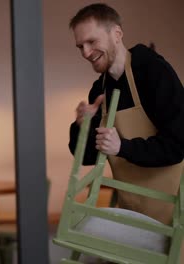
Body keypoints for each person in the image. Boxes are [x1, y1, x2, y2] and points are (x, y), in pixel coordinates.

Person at [68, 3, 184, 226]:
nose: (86, 53)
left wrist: (122, 147)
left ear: (117, 34)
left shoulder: (152, 71)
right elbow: (87, 157)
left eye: (92, 41)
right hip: (135, 213)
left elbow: (178, 145)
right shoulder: (99, 90)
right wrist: (81, 127)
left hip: (175, 214)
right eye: (80, 46)